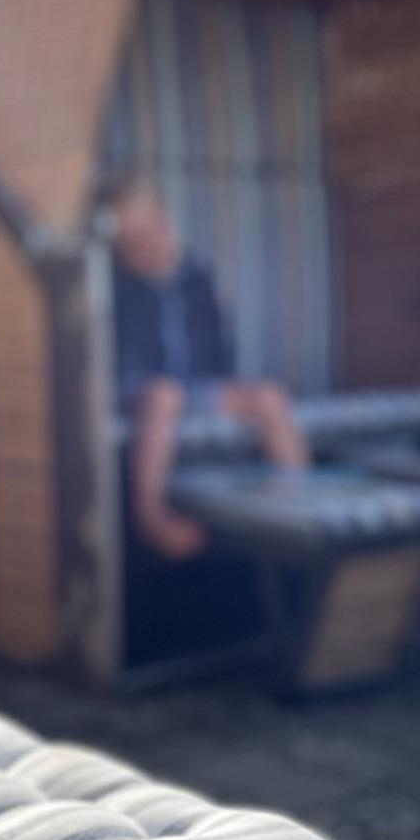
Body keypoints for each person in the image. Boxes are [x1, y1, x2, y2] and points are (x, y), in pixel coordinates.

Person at [109, 175, 307, 558]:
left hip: (193, 387)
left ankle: (297, 508)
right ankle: (150, 516)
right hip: (139, 391)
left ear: (167, 224)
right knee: (164, 395)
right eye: (131, 243)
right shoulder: (118, 288)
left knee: (268, 396)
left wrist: (227, 391)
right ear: (118, 250)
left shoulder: (196, 277)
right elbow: (120, 358)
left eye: (151, 233)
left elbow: (219, 346)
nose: (146, 246)